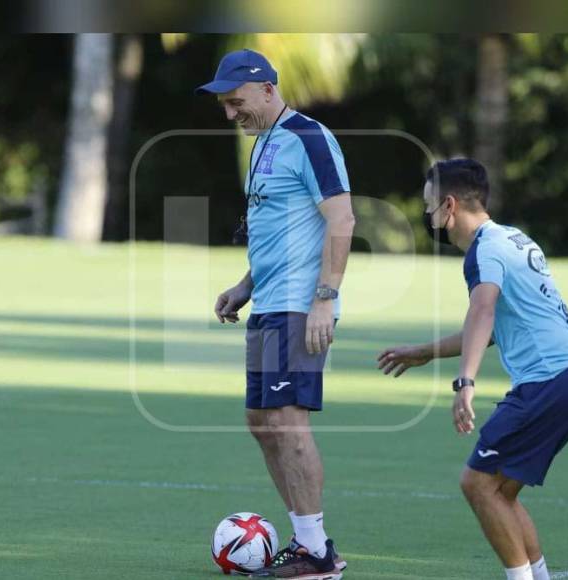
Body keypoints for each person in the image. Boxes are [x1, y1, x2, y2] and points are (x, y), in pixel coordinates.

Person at [378, 158, 568, 580]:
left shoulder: (484, 250)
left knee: (476, 484)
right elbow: (493, 326)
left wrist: (465, 382)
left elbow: (483, 308)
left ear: (449, 205)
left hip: (549, 381)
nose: (427, 216)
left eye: (428, 207)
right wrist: (425, 351)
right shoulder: (514, 239)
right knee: (500, 492)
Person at [196, 49, 355, 579]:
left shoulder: (309, 138)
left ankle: (317, 553)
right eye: (224, 105)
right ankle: (306, 543)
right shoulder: (262, 143)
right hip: (270, 303)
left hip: (300, 306)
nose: (230, 114)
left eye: (235, 102)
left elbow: (342, 219)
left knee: (287, 424)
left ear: (266, 89)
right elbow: (275, 232)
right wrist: (244, 285)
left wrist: (325, 298)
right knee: (262, 423)